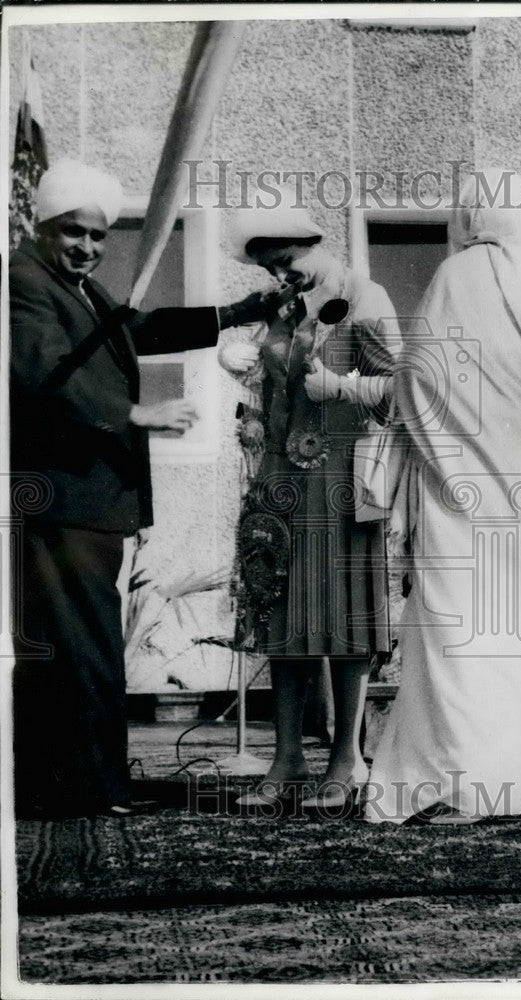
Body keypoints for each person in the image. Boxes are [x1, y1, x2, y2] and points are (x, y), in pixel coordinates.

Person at [10, 159, 272, 818]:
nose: (89, 248)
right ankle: (88, 792)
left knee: (79, 649)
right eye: (74, 233)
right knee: (82, 650)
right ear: (42, 227)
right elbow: (39, 372)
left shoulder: (80, 291)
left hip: (90, 503)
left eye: (99, 237)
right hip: (64, 499)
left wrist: (236, 311)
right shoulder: (23, 284)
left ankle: (67, 789)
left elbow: (137, 332)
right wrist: (134, 414)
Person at [365, 170, 521, 825]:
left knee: (459, 632)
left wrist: (453, 448)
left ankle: (454, 780)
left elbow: (417, 381)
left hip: (461, 496)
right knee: (513, 630)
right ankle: (510, 780)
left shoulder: (455, 277)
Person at [219, 202, 401, 811]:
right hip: (278, 478)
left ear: (312, 243)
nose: (281, 276)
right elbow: (271, 385)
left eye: (287, 262)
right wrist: (240, 368)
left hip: (342, 478)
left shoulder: (366, 297)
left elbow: (402, 393)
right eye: (272, 268)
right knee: (282, 616)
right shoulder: (279, 307)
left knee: (345, 621)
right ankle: (288, 757)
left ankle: (346, 760)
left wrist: (344, 387)